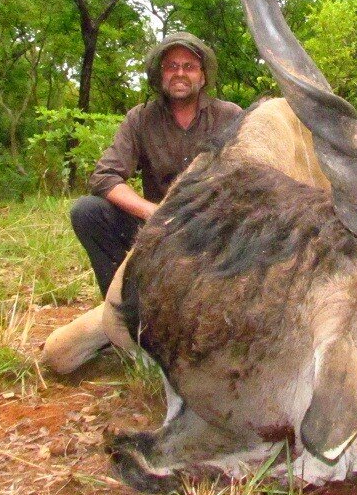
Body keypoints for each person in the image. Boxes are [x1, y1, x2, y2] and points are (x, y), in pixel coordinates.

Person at [70, 32, 242, 297]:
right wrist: (153, 212)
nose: (179, 73)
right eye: (171, 66)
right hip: (156, 228)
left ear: (203, 75)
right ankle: (122, 304)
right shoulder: (140, 118)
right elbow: (105, 176)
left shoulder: (230, 116)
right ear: (159, 74)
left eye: (189, 66)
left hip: (213, 230)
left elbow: (250, 179)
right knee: (87, 211)